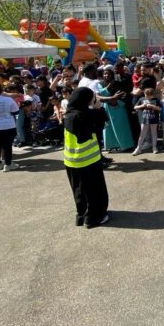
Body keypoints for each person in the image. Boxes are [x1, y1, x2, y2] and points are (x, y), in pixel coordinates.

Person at [62, 87, 109, 228]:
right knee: (95, 190)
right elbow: (103, 124)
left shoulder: (68, 114)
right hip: (89, 159)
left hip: (70, 160)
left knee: (79, 190)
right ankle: (94, 217)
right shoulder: (87, 115)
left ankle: (81, 215)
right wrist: (99, 108)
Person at [99, 68, 134, 153]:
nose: (107, 75)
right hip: (107, 108)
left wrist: (116, 101)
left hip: (119, 108)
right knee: (108, 128)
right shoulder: (101, 84)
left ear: (113, 75)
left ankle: (126, 146)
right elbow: (100, 95)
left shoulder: (119, 84)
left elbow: (124, 95)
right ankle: (112, 146)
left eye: (109, 74)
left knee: (122, 128)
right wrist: (109, 86)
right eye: (105, 74)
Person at [133, 87, 161, 155]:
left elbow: (160, 108)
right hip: (144, 119)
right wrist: (142, 105)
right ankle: (138, 148)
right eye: (146, 95)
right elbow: (135, 107)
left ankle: (154, 147)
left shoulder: (156, 100)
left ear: (152, 95)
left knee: (154, 133)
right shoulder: (141, 99)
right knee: (142, 134)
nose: (147, 96)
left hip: (154, 119)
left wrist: (152, 106)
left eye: (149, 95)